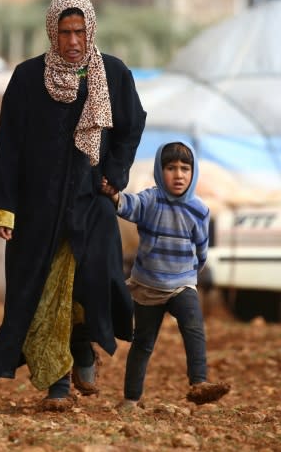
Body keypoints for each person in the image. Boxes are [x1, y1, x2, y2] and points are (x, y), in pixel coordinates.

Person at [0, 0, 146, 411]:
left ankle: (84, 347)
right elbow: (10, 146)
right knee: (44, 291)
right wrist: (4, 206)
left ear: (91, 31)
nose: (73, 40)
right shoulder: (28, 78)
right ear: (53, 32)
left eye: (80, 31)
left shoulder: (114, 75)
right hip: (39, 208)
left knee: (92, 280)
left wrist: (115, 174)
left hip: (90, 202)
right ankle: (56, 384)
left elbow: (130, 128)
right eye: (65, 32)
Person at [100, 141, 230, 408]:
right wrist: (112, 194)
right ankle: (130, 399)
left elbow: (201, 249)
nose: (179, 174)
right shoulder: (150, 200)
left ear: (193, 173)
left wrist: (192, 274)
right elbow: (127, 204)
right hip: (148, 286)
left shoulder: (199, 209)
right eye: (171, 168)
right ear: (160, 172)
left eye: (185, 168)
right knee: (143, 344)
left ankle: (199, 382)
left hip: (182, 283)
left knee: (194, 328)